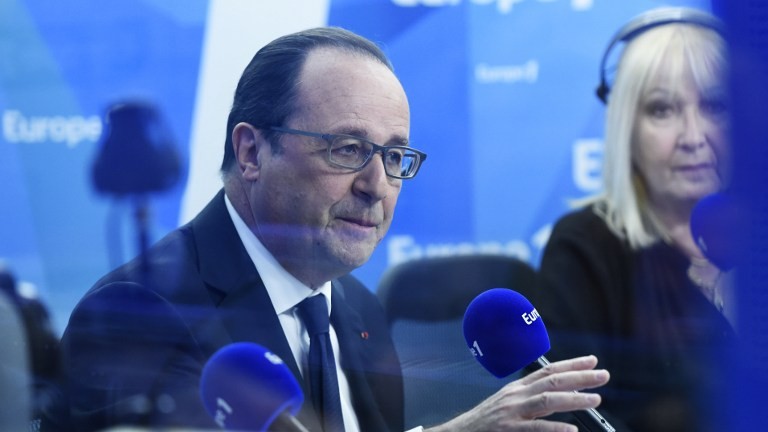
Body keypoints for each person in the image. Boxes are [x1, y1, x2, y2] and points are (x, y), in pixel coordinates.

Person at [56, 27, 609, 432]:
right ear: (251, 151)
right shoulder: (139, 312)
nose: (377, 185)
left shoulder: (358, 311)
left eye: (395, 157)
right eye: (349, 149)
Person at [536, 7, 734, 432]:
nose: (693, 137)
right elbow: (569, 414)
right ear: (627, 126)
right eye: (663, 110)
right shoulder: (584, 245)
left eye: (716, 105)